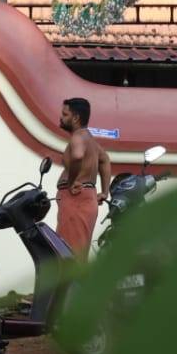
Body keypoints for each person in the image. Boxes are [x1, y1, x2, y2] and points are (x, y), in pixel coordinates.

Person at [57, 97, 110, 260]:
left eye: (65, 114)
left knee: (69, 256)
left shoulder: (78, 137)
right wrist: (104, 192)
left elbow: (78, 156)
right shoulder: (90, 140)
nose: (61, 118)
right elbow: (105, 160)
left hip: (76, 199)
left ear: (76, 118)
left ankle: (74, 286)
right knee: (75, 254)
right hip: (85, 198)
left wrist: (72, 181)